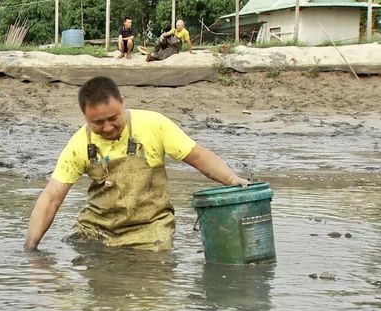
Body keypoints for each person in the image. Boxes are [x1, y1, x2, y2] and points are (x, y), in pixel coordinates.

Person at [24, 77, 249, 252]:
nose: (108, 128)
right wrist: (30, 250)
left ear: (123, 102)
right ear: (85, 116)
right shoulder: (78, 144)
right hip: (96, 229)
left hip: (150, 229)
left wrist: (231, 179)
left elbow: (198, 156)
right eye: (98, 123)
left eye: (113, 118)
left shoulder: (154, 125)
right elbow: (52, 197)